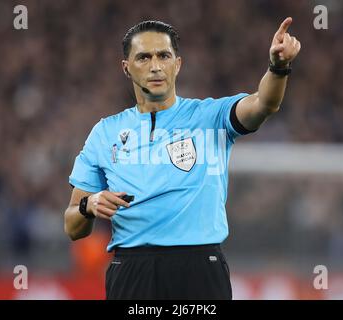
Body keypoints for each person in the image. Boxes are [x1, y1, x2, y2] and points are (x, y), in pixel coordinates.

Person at [64, 19, 301, 300]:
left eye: (163, 56)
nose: (155, 66)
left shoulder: (211, 117)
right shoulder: (105, 133)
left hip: (198, 269)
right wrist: (88, 205)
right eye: (143, 57)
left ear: (177, 64)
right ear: (126, 67)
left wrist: (278, 67)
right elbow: (72, 226)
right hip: (131, 271)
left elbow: (265, 103)